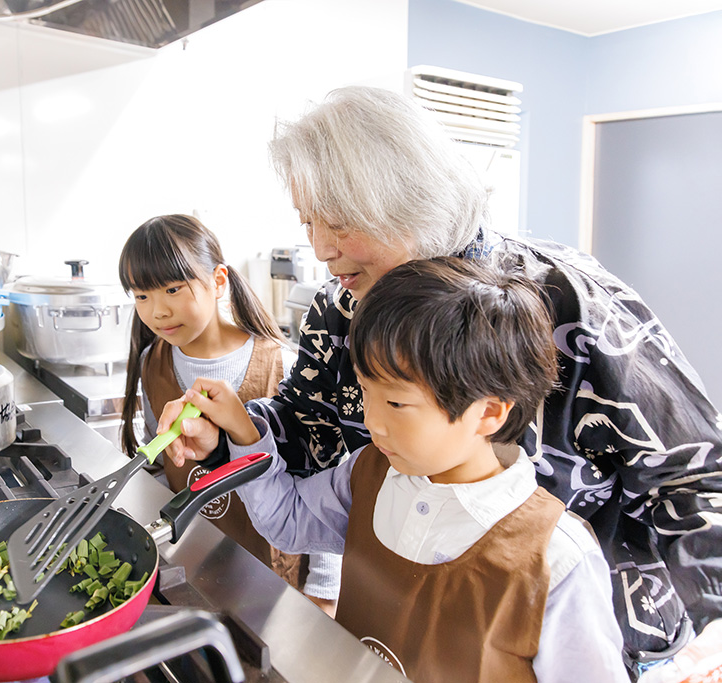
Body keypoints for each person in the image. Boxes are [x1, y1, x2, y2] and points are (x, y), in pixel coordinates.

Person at [155, 86, 722, 674]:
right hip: (412, 622)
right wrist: (231, 430)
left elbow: (698, 481)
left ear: (411, 203)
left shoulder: (570, 301)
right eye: (308, 222)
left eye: (340, 222)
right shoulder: (343, 305)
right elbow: (306, 429)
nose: (321, 249)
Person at [175, 256, 630, 682]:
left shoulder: (556, 561)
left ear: (489, 412)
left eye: (396, 402)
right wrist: (243, 432)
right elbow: (289, 521)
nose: (372, 421)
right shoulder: (371, 473)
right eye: (366, 393)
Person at [117, 213, 342, 612]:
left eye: (172, 289)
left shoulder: (283, 366)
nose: (158, 312)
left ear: (218, 281)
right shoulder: (153, 360)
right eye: (142, 296)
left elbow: (323, 484)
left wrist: (324, 588)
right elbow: (160, 465)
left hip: (271, 575)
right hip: (187, 561)